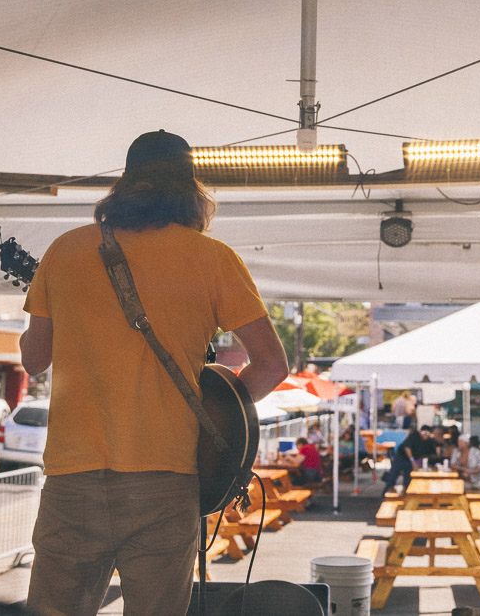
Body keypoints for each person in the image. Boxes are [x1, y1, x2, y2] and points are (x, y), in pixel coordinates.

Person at [19, 129, 288, 616]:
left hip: (73, 476)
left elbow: (34, 359)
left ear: (124, 184)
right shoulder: (213, 258)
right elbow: (271, 365)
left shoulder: (65, 250)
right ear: (190, 190)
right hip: (166, 478)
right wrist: (218, 420)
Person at [383, 425, 433, 494]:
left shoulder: (427, 441)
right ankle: (384, 494)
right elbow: (407, 448)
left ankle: (406, 495)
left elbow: (424, 454)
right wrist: (413, 462)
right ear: (420, 432)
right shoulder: (414, 436)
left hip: (411, 460)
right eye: (424, 433)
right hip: (401, 457)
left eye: (428, 434)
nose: (426, 436)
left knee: (408, 479)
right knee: (393, 476)